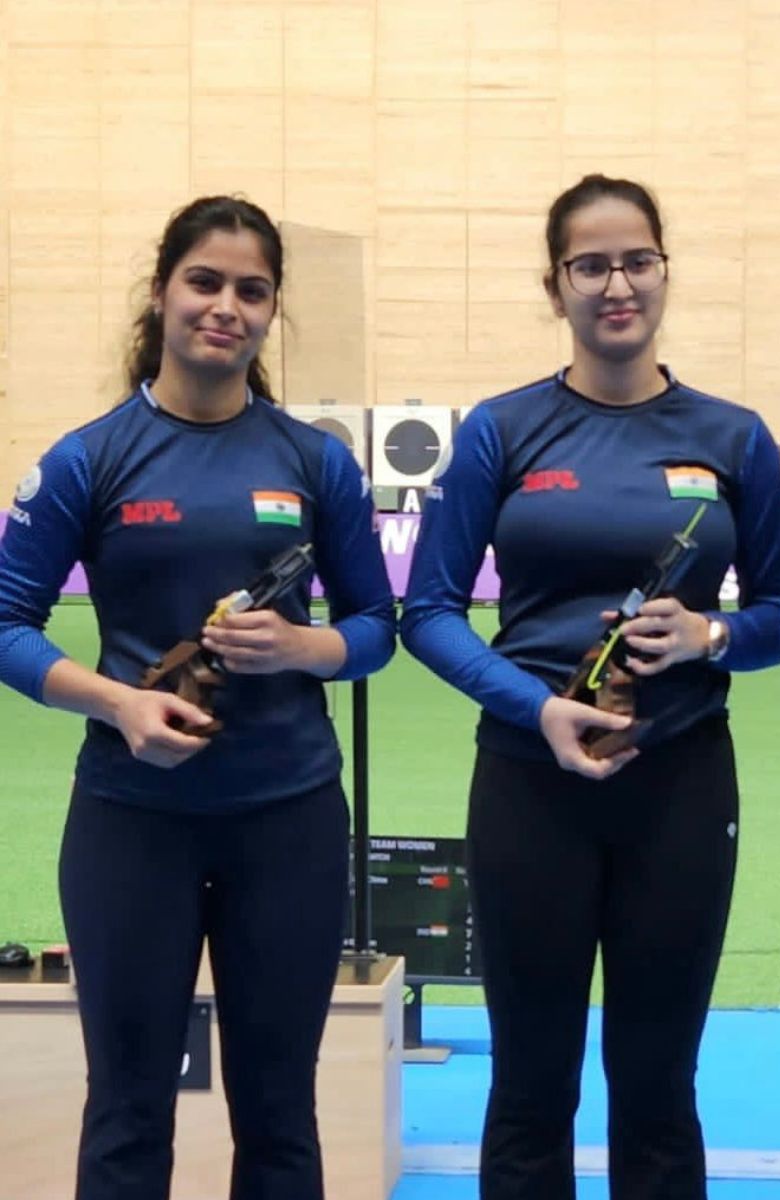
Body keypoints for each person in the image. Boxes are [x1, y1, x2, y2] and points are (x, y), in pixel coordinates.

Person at [399, 173, 780, 1199]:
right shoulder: (500, 430)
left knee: (659, 1082)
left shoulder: (736, 438)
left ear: (664, 272)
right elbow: (429, 613)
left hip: (682, 783)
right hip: (532, 784)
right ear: (556, 283)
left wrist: (712, 633)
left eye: (636, 261)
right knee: (531, 1083)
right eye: (590, 266)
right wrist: (536, 706)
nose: (616, 284)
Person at [0, 196, 395, 1200]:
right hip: (133, 825)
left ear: (272, 313)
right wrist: (117, 705)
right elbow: (7, 624)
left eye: (251, 290)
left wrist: (306, 646)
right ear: (164, 293)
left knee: (279, 1112)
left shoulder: (315, 461)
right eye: (205, 282)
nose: (226, 306)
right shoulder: (90, 457)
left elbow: (376, 631)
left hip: (288, 822)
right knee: (128, 1110)